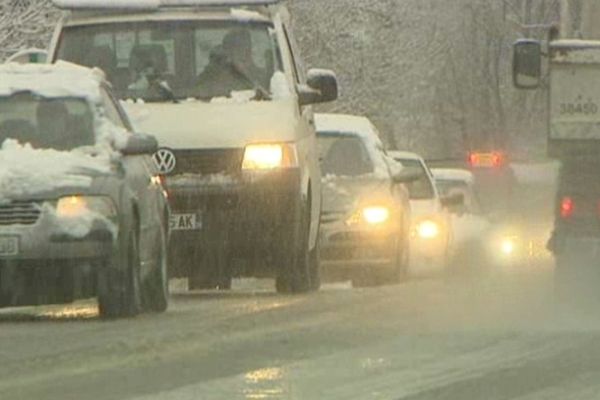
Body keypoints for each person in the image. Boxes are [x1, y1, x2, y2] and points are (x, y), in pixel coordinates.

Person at [196, 28, 266, 98]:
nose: (244, 52)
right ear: (228, 52)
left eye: (247, 47)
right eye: (238, 48)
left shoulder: (262, 77)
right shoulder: (211, 78)